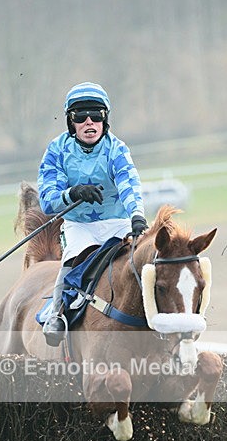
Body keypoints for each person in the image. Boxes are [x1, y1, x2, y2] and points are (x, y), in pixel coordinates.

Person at [38, 81, 147, 345]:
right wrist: (73, 193)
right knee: (72, 260)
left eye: (96, 115)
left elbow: (128, 184)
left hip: (118, 223)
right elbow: (47, 201)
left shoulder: (117, 149)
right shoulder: (57, 150)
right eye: (81, 116)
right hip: (79, 227)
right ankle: (57, 314)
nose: (90, 122)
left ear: (105, 119)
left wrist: (137, 215)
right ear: (70, 122)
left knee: (144, 262)